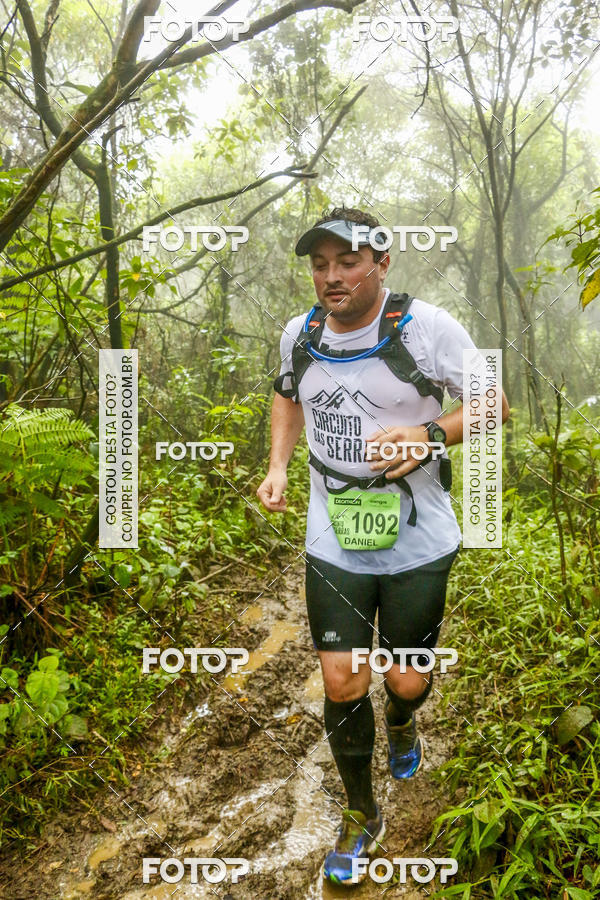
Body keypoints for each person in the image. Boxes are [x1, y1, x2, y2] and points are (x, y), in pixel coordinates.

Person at [256, 207, 509, 887]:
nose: (331, 277)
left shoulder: (426, 329)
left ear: (381, 263)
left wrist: (430, 438)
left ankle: (402, 721)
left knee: (405, 677)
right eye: (319, 264)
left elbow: (498, 404)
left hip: (418, 537)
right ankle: (361, 812)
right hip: (332, 534)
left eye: (346, 262)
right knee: (342, 679)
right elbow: (287, 396)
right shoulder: (299, 333)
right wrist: (279, 465)